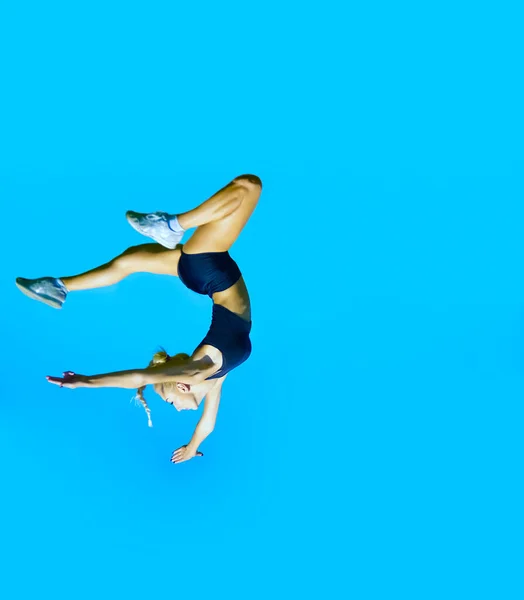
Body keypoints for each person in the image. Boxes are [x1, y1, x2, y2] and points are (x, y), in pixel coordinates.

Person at [16, 174, 262, 464]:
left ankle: (172, 225)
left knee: (249, 187)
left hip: (209, 269)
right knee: (129, 261)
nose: (176, 408)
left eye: (170, 402)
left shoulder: (198, 371)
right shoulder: (215, 378)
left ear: (181, 384)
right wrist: (193, 447)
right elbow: (208, 425)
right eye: (170, 404)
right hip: (205, 273)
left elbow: (138, 377)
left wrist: (85, 381)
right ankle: (59, 287)